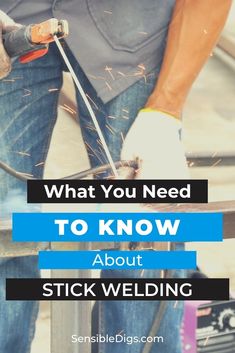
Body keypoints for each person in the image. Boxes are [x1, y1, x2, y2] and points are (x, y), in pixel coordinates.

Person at [0, 1, 232, 353]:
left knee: (143, 228)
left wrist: (164, 111)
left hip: (133, 23)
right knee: (4, 219)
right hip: (13, 19)